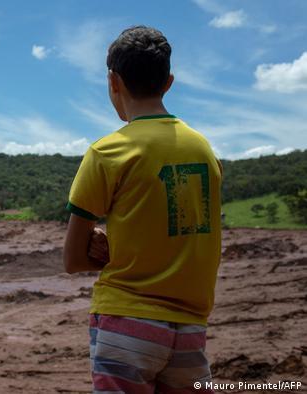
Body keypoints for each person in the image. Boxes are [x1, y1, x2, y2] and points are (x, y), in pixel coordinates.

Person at [63, 26, 222, 393]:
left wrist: (105, 249)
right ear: (168, 82)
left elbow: (72, 259)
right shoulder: (204, 151)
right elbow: (182, 232)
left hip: (126, 323)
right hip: (190, 329)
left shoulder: (107, 152)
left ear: (113, 81)